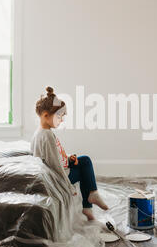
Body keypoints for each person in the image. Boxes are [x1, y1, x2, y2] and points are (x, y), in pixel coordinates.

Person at [31, 86, 108, 220]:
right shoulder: (46, 136)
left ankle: (90, 199)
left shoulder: (42, 133)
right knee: (84, 171)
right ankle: (89, 202)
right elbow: (55, 165)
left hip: (61, 169)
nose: (62, 120)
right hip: (57, 178)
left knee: (84, 160)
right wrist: (69, 187)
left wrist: (68, 159)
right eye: (59, 116)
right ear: (45, 115)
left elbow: (55, 156)